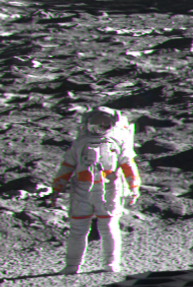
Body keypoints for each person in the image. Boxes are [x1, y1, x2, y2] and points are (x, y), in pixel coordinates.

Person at [51, 107, 140, 274]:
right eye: (96, 122)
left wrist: (133, 187)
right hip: (83, 191)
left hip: (108, 190)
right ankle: (72, 265)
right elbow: (67, 166)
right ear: (87, 123)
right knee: (78, 229)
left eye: (105, 123)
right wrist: (56, 187)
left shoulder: (118, 142)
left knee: (108, 226)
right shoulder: (79, 144)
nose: (100, 126)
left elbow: (128, 166)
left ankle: (110, 263)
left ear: (113, 124)